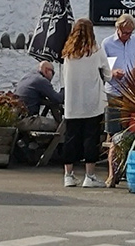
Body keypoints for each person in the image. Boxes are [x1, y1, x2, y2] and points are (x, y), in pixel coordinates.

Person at [58, 19, 110, 188]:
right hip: (92, 102)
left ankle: (68, 175)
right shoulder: (96, 51)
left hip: (72, 102)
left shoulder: (68, 53)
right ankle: (90, 176)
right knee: (90, 138)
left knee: (70, 138)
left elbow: (63, 79)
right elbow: (108, 74)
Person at [14, 61, 64, 130]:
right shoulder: (41, 80)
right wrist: (64, 89)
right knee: (60, 127)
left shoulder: (26, 78)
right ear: (46, 70)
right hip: (28, 121)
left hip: (17, 119)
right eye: (53, 73)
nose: (52, 76)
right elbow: (58, 99)